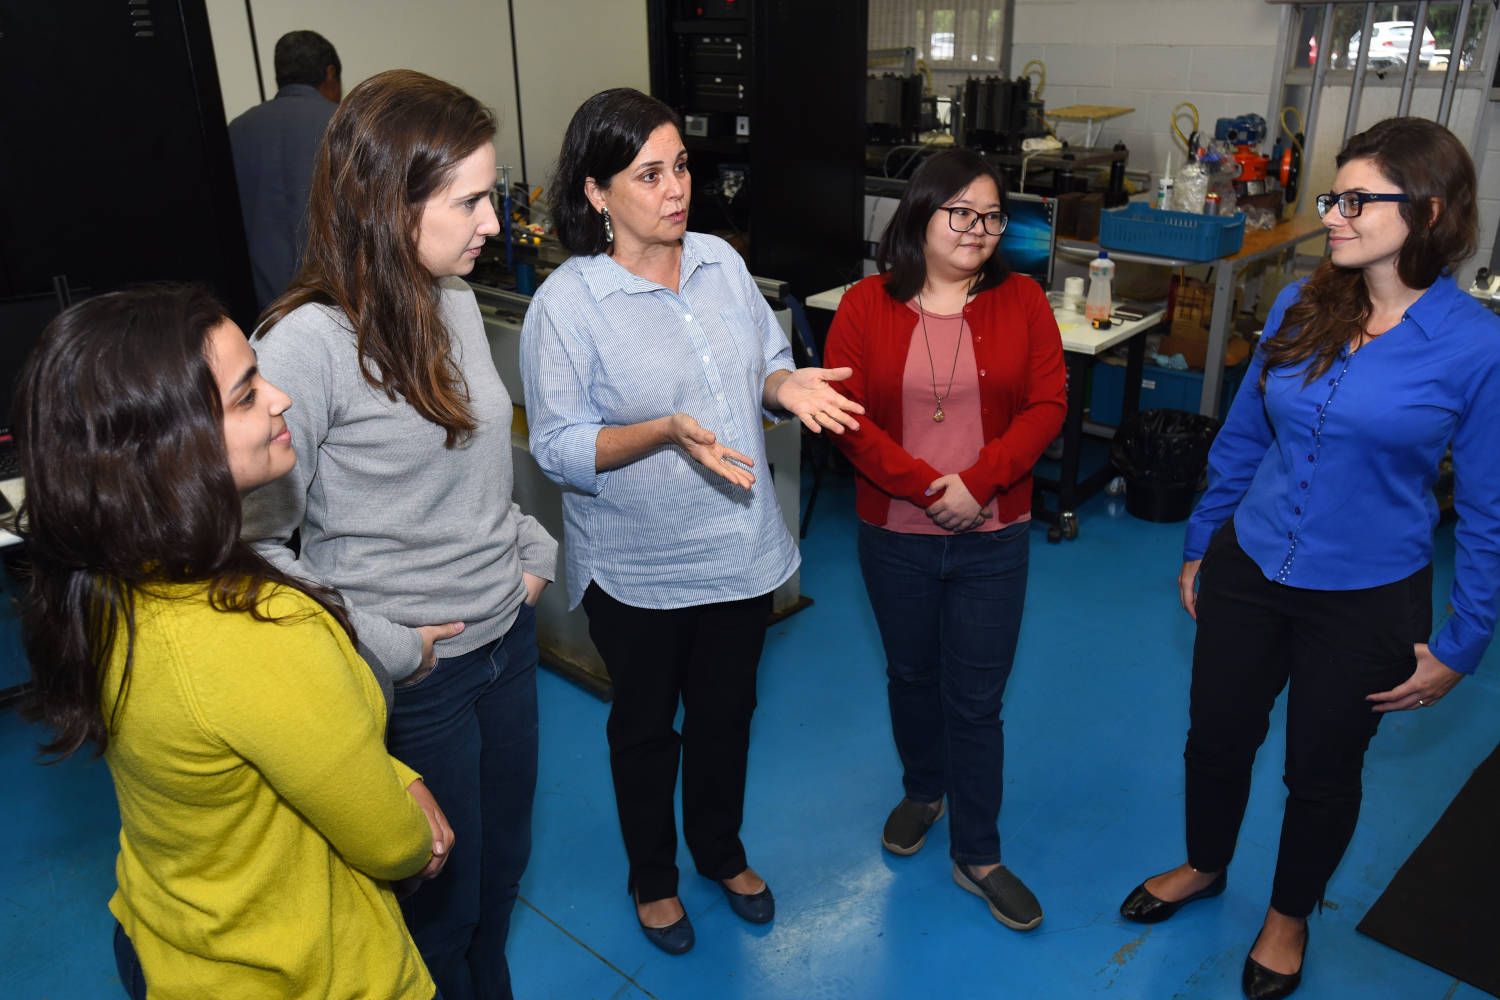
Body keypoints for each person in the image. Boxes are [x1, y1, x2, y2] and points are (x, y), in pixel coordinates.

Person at [1119, 117, 1500, 1000]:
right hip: (1250, 565)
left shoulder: (1474, 346)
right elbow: (1247, 432)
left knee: (1321, 773)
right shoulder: (1304, 302)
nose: (1335, 213)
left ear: (1431, 210)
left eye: (1358, 199)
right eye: (1336, 194)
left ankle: (1288, 916)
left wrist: (1465, 638)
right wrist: (1202, 541)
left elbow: (1486, 509)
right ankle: (1205, 864)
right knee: (1215, 739)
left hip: (1368, 597)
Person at [13, 285, 450, 1000]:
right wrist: (407, 814)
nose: (280, 398)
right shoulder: (262, 630)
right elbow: (393, 845)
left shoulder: (101, 585)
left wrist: (389, 773)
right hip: (294, 971)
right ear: (167, 449)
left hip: (172, 938)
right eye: (247, 394)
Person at [519, 87, 862, 955]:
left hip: (737, 552)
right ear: (596, 193)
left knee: (726, 715)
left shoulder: (718, 261)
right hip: (636, 567)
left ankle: (719, 851)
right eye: (650, 174)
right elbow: (558, 448)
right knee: (644, 730)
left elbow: (764, 363)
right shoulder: (569, 303)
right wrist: (664, 430)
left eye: (682, 168)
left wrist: (788, 387)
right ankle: (653, 877)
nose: (677, 189)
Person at [241, 70, 555, 1000]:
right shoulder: (305, 344)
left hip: (510, 639)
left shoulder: (449, 297)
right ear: (389, 203)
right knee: (438, 901)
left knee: (501, 871)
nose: (492, 224)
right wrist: (384, 647)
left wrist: (528, 545)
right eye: (470, 202)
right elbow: (253, 544)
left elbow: (469, 456)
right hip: (417, 674)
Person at [823, 148, 1066, 930]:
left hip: (995, 535)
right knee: (909, 673)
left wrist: (981, 482)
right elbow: (849, 420)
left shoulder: (1023, 300)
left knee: (977, 698)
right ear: (920, 215)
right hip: (895, 532)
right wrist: (933, 489)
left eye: (992, 216)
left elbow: (1048, 404)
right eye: (959, 212)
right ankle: (924, 789)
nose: (977, 229)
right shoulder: (863, 306)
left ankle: (979, 853)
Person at [227, 30, 342, 309]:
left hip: (256, 314)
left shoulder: (233, 132)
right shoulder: (345, 124)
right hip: (338, 306)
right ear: (330, 73)